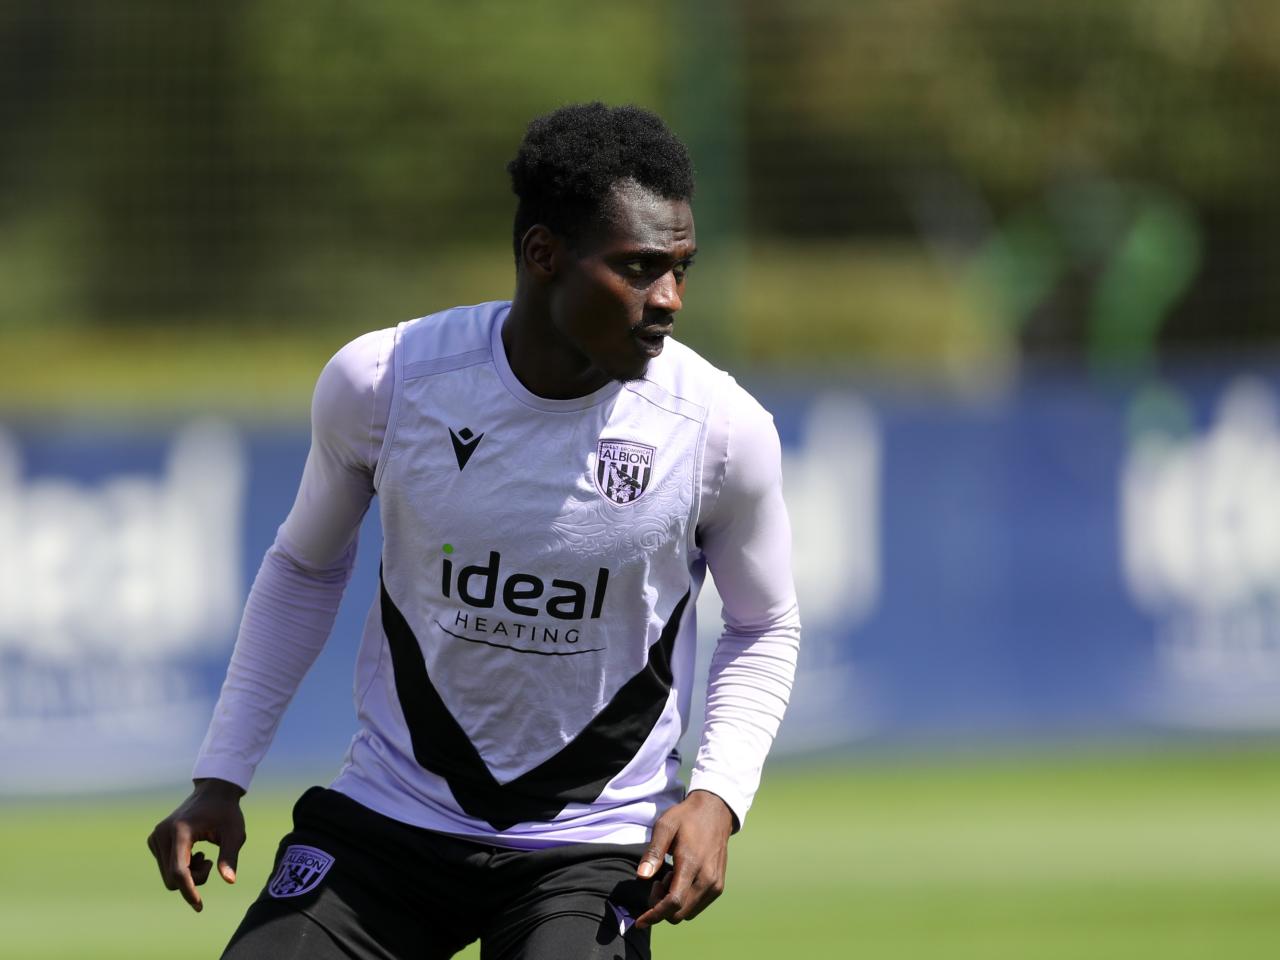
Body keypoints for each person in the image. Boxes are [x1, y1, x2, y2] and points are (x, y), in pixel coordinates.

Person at [147, 102, 800, 960]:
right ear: (543, 255)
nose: (669, 299)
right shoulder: (386, 382)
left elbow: (763, 623)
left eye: (682, 268)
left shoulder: (720, 430)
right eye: (639, 268)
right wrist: (221, 776)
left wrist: (717, 795)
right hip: (390, 818)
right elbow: (304, 569)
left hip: (595, 844)